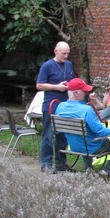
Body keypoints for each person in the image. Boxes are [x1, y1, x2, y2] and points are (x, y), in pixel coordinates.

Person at [55, 78, 110, 177]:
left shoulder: (60, 107)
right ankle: (106, 172)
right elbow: (99, 131)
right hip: (92, 146)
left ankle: (89, 169)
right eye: (85, 91)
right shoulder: (86, 110)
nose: (88, 92)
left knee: (85, 138)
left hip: (74, 146)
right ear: (76, 93)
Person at [36, 41, 76, 173]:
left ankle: (61, 163)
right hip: (51, 105)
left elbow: (72, 81)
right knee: (48, 135)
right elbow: (39, 85)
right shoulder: (47, 66)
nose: (66, 56)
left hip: (65, 106)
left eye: (67, 54)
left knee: (62, 135)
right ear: (56, 51)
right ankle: (46, 163)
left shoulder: (69, 65)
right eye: (63, 53)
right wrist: (56, 87)